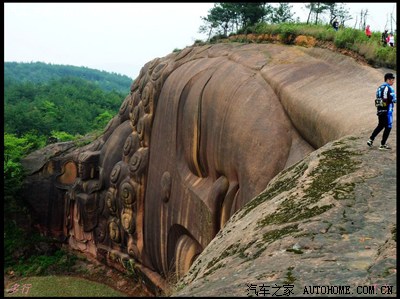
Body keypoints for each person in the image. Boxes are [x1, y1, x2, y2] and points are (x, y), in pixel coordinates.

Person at [367, 73, 396, 150]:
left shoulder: (379, 88)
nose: (393, 82)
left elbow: (378, 98)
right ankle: (382, 145)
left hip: (380, 109)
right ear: (388, 79)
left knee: (381, 125)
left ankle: (371, 139)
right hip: (387, 111)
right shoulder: (389, 88)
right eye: (392, 80)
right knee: (388, 126)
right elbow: (394, 99)